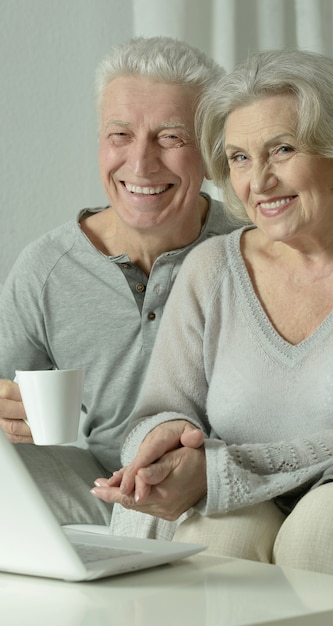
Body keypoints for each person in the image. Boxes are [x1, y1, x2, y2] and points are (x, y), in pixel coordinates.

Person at [92, 49, 333, 586]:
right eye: (240, 158)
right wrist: (166, 441)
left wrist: (221, 472)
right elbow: (161, 409)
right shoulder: (213, 266)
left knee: (323, 526)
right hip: (250, 498)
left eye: (282, 150)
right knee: (222, 530)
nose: (259, 181)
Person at [0, 36, 238, 525]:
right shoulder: (47, 267)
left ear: (211, 151)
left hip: (208, 488)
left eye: (171, 137)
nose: (141, 163)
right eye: (121, 135)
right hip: (98, 492)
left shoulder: (251, 249)